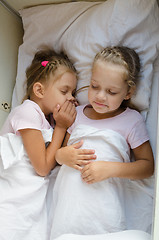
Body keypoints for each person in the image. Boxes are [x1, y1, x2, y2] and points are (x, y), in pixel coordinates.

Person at [50, 46, 154, 239]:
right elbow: (58, 154)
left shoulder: (131, 120)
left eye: (111, 92)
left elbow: (147, 167)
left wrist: (110, 168)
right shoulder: (76, 114)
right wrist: (62, 155)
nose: (99, 96)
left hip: (104, 206)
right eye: (94, 86)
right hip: (70, 205)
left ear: (128, 92)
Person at [0, 48, 95, 240]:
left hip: (35, 202)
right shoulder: (27, 112)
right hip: (13, 196)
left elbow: (54, 158)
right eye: (64, 91)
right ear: (39, 90)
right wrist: (61, 127)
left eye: (73, 92)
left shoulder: (48, 122)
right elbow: (42, 167)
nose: (71, 98)